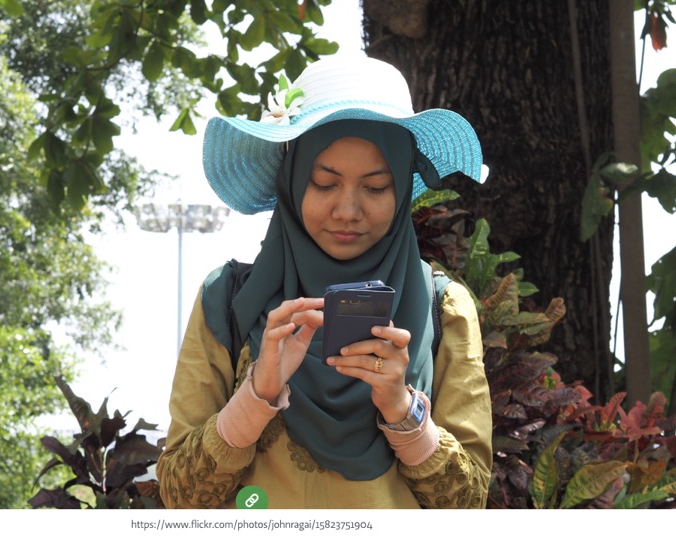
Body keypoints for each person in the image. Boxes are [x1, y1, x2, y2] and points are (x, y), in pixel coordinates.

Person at [155, 55, 492, 509]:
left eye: (375, 188)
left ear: (401, 190)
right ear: (292, 182)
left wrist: (400, 407)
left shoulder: (445, 310)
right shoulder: (228, 302)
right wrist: (258, 394)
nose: (348, 210)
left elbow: (469, 504)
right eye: (324, 182)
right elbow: (180, 497)